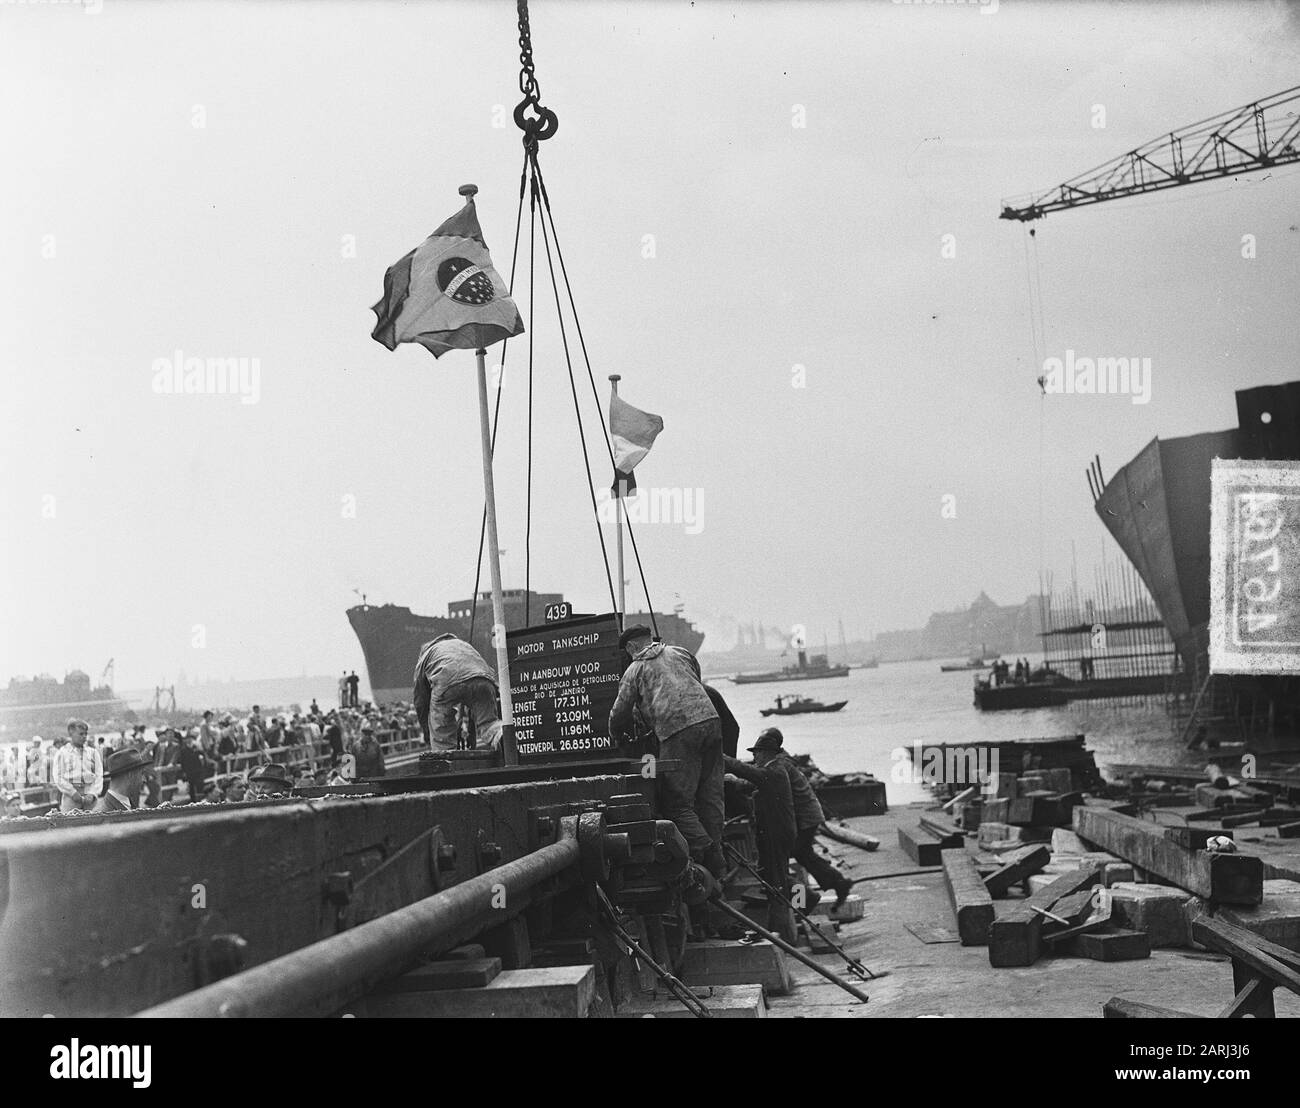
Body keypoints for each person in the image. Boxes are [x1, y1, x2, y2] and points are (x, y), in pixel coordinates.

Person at [608, 625, 725, 879]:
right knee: (711, 794)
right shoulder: (680, 652)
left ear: (630, 648)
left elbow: (619, 713)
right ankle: (718, 850)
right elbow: (696, 677)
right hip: (712, 723)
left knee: (676, 802)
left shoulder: (635, 669)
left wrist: (617, 738)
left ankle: (707, 855)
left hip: (677, 731)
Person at [750, 727, 853, 910]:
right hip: (807, 814)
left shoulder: (780, 765)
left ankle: (807, 898)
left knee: (787, 857)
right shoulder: (782, 761)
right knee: (802, 854)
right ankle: (831, 886)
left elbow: (773, 787)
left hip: (805, 816)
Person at [723, 747, 797, 942]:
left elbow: (748, 773)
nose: (754, 756)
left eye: (756, 752)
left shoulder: (774, 771)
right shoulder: (773, 770)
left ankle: (784, 929)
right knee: (776, 877)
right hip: (775, 832)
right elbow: (748, 783)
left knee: (777, 884)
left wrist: (721, 756)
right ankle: (800, 906)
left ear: (766, 753)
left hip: (776, 834)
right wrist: (735, 782)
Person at [413, 633, 503, 751]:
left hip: (447, 678)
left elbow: (421, 702)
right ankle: (501, 735)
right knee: (489, 723)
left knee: (442, 736)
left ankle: (446, 759)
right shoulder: (463, 645)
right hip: (484, 679)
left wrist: (427, 733)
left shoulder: (425, 656)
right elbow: (469, 686)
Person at [52, 718, 103, 813]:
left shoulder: (93, 753)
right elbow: (58, 777)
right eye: (81, 734)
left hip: (90, 798)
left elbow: (99, 775)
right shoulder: (62, 753)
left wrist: (93, 793)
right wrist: (72, 792)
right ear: (71, 733)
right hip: (71, 798)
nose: (84, 737)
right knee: (70, 824)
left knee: (94, 823)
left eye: (85, 734)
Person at [92, 748, 153, 812]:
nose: (144, 780)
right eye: (141, 774)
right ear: (130, 775)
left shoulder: (126, 804)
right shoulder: (104, 813)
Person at [177, 732, 215, 803]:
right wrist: (184, 772)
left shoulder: (196, 748)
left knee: (200, 784)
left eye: (190, 739)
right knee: (191, 787)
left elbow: (203, 756)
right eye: (187, 739)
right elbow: (182, 762)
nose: (189, 740)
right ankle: (193, 801)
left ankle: (202, 799)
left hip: (198, 769)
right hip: (189, 771)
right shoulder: (183, 750)